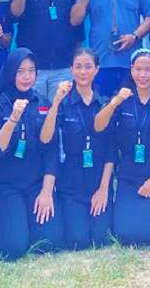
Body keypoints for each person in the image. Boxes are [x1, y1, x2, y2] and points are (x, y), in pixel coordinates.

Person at [0, 48, 64, 259]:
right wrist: (14, 118)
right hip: (5, 187)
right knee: (14, 248)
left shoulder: (42, 104)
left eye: (31, 70)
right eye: (20, 71)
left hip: (35, 185)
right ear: (10, 73)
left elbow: (51, 151)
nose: (27, 77)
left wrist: (46, 192)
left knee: (50, 242)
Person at [94, 49, 150, 247]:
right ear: (131, 71)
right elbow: (98, 126)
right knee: (125, 235)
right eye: (138, 69)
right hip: (128, 177)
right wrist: (115, 101)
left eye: (148, 70)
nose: (143, 75)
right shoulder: (122, 102)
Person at [39, 49, 115, 250]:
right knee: (77, 240)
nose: (83, 72)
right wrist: (56, 102)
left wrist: (104, 189)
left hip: (98, 182)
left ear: (97, 69)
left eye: (88, 67)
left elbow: (111, 151)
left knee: (101, 238)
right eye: (78, 67)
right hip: (71, 186)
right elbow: (46, 139)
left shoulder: (104, 103)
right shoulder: (63, 103)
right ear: (71, 70)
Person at [9, 0, 83, 100]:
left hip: (63, 66)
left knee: (60, 111)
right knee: (31, 110)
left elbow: (77, 23)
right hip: (32, 69)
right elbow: (14, 13)